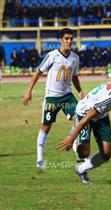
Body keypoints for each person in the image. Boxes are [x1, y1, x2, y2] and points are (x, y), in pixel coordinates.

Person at [23, 28, 84, 168]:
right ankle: (39, 157)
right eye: (66, 38)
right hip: (52, 98)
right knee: (46, 126)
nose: (69, 41)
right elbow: (38, 72)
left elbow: (75, 77)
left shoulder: (75, 58)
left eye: (71, 39)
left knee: (82, 117)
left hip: (67, 96)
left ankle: (74, 145)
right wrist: (28, 91)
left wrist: (80, 91)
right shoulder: (51, 56)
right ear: (61, 40)